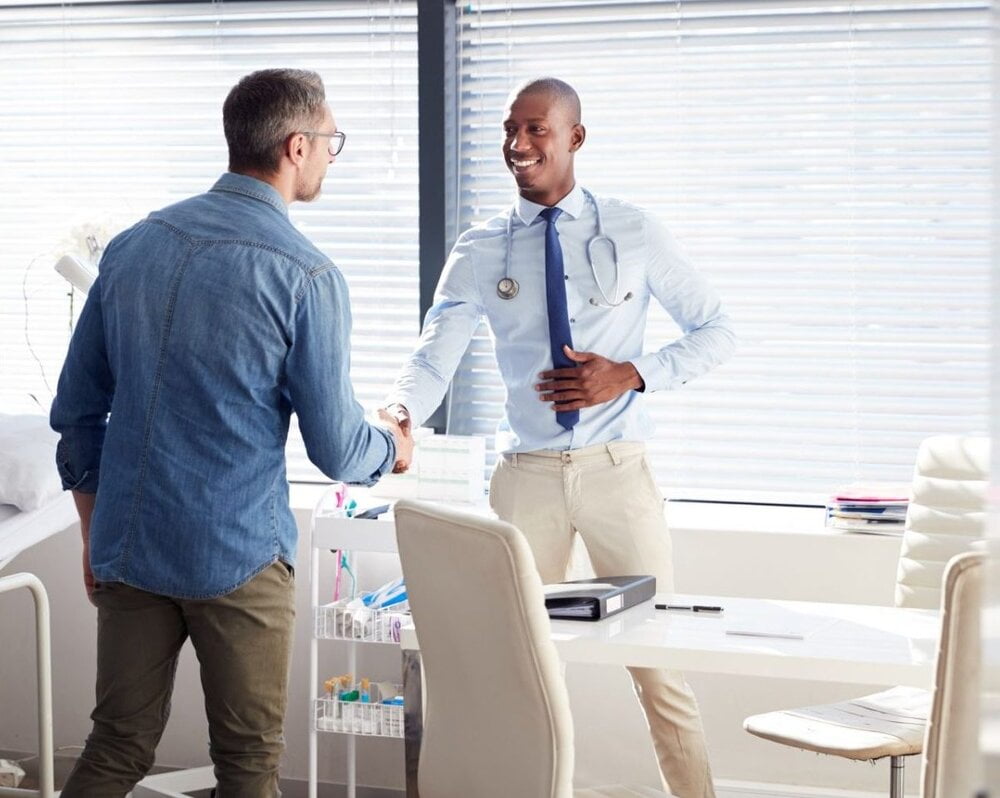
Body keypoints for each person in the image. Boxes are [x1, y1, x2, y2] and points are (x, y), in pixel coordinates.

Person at [50, 68, 412, 797]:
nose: (331, 156)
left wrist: (96, 533)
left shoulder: (131, 248)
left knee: (116, 745)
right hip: (236, 554)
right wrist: (393, 448)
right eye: (331, 141)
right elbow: (337, 447)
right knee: (247, 764)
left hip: (128, 546)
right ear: (296, 146)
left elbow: (78, 413)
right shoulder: (305, 274)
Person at [385, 77, 734, 798]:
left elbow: (717, 332)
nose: (518, 143)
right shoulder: (482, 247)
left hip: (618, 471)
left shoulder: (632, 230)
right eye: (511, 129)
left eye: (537, 128)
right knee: (518, 675)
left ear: (575, 136)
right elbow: (435, 353)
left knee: (659, 669)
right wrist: (399, 411)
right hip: (528, 478)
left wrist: (631, 374)